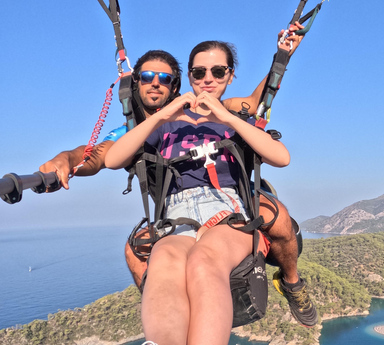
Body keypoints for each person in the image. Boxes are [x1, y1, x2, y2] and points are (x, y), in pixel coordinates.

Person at [75, 39, 302, 345]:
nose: (208, 80)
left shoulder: (234, 118)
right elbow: (114, 158)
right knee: (164, 263)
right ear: (189, 78)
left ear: (229, 77)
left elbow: (281, 157)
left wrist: (224, 116)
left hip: (229, 210)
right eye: (199, 73)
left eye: (218, 73)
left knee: (203, 264)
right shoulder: (164, 127)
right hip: (179, 215)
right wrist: (163, 114)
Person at [39, 26, 317, 327]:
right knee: (135, 252)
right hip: (175, 205)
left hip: (229, 192)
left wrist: (282, 58)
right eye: (146, 77)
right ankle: (170, 312)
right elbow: (99, 154)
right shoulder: (138, 129)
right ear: (136, 82)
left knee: (278, 218)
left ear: (175, 86)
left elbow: (257, 101)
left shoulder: (221, 109)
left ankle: (291, 281)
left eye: (164, 79)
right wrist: (65, 160)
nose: (154, 85)